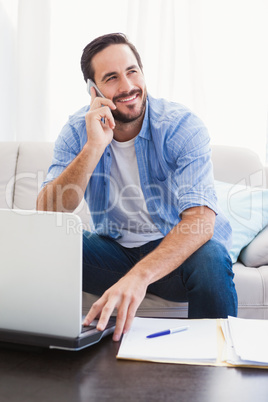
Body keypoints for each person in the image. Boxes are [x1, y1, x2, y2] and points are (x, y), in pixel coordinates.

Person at [36, 33, 238, 341]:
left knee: (212, 259)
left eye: (132, 71)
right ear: (93, 91)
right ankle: (44, 349)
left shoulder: (181, 126)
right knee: (47, 241)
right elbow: (48, 211)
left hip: (176, 258)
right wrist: (93, 147)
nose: (128, 86)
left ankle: (219, 361)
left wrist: (139, 277)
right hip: (114, 253)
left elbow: (200, 222)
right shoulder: (78, 130)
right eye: (112, 78)